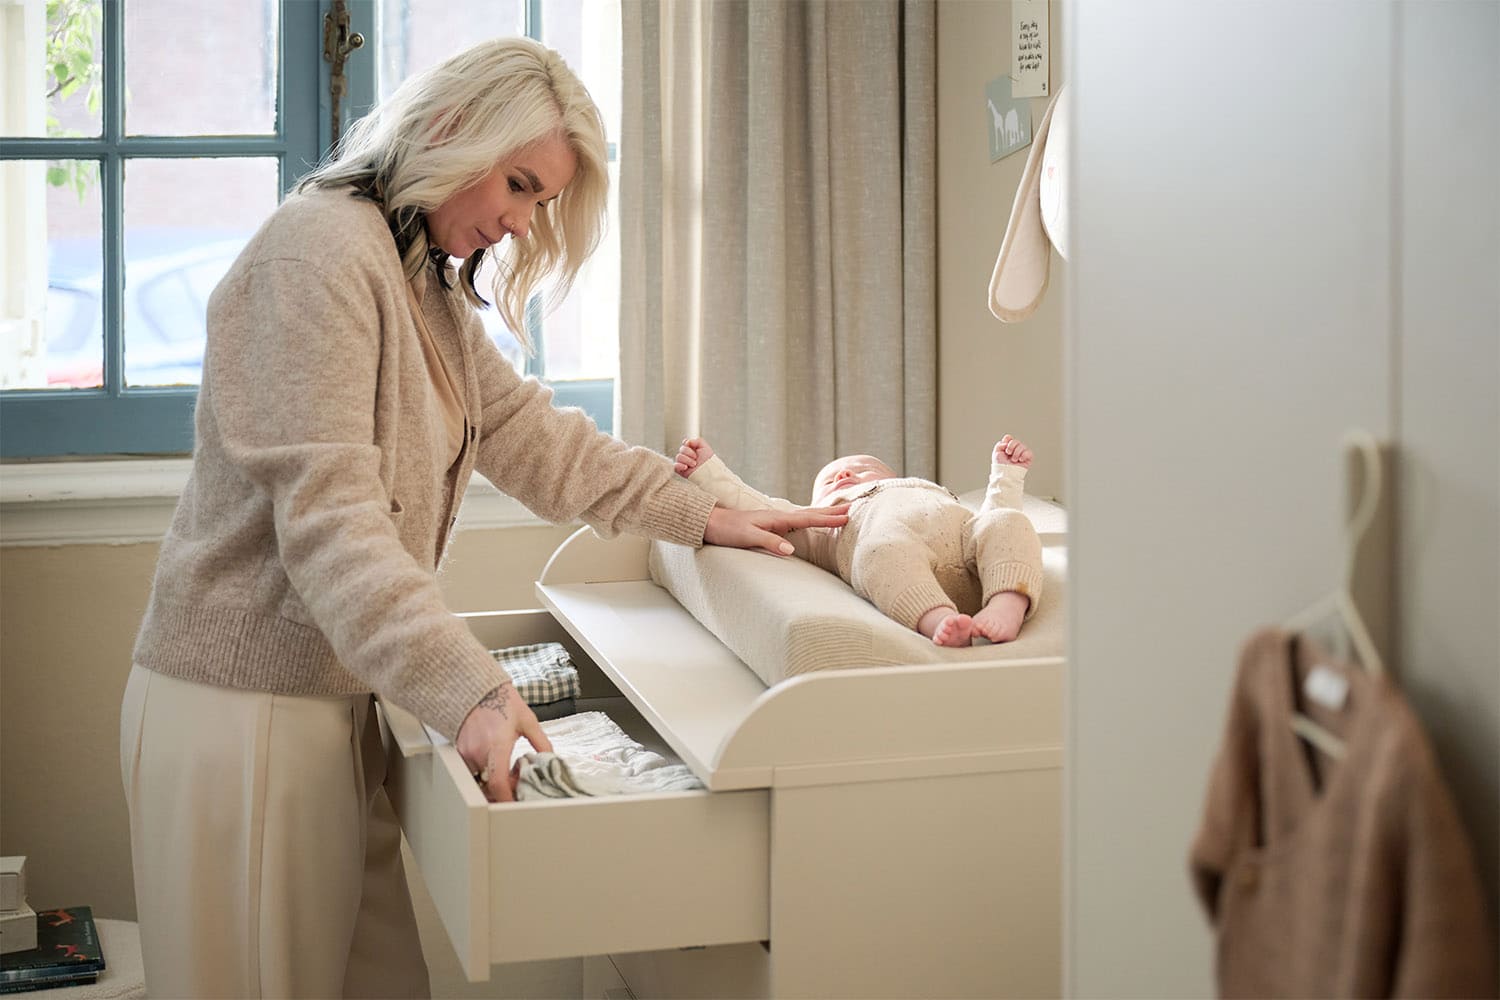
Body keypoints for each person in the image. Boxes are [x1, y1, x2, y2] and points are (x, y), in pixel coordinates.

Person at [118, 37, 846, 1000]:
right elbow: (333, 524)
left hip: (336, 698)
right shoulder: (315, 259)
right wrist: (467, 689)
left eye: (538, 202)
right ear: (453, 128)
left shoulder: (415, 278)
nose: (517, 222)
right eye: (517, 184)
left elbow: (534, 437)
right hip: (244, 714)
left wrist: (702, 515)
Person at [674, 434, 1044, 647]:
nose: (847, 472)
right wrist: (708, 472)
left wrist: (1006, 476)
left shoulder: (931, 492)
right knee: (881, 550)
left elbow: (993, 518)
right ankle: (940, 621)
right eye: (832, 476)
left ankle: (1005, 603)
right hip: (903, 567)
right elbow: (755, 507)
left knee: (1007, 521)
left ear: (894, 477)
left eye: (864, 468)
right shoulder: (822, 519)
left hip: (967, 551)